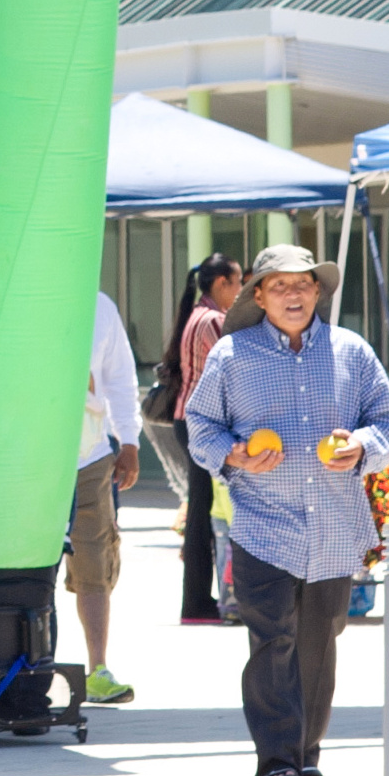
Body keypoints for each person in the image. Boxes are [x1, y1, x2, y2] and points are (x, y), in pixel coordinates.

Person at [183, 243, 389, 776]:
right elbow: (200, 424)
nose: (293, 294)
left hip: (334, 525)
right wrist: (233, 454)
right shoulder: (231, 356)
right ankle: (275, 759)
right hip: (263, 523)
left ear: (318, 293)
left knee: (319, 640)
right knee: (271, 637)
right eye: (279, 285)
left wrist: (361, 445)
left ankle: (307, 754)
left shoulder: (351, 351)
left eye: (303, 284)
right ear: (257, 295)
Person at [68, 292, 144, 704]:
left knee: (94, 565)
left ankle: (97, 669)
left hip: (90, 456)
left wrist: (128, 440)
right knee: (27, 563)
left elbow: (118, 377)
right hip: (28, 460)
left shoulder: (99, 306)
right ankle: (29, 664)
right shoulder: (21, 294)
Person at [163, 254, 243, 624]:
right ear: (222, 284)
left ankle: (197, 600)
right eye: (238, 282)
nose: (241, 291)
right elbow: (237, 365)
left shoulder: (197, 314)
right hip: (198, 424)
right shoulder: (212, 320)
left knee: (200, 511)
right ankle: (196, 602)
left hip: (188, 420)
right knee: (201, 515)